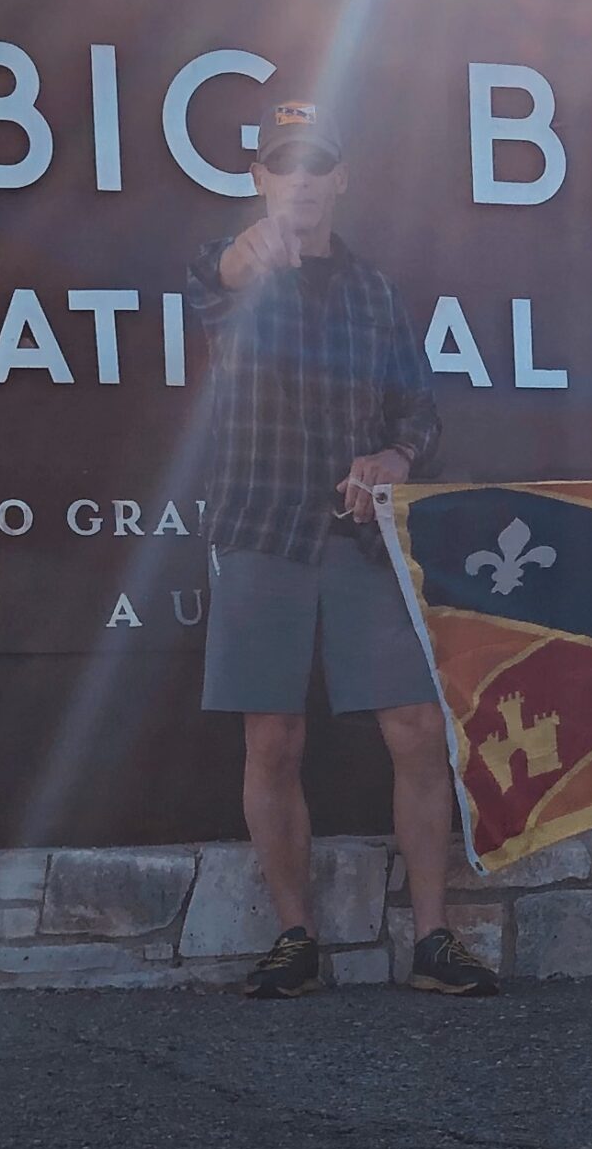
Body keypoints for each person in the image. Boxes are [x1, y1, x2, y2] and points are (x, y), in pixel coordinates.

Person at [184, 96, 499, 999]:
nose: (304, 183)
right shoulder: (226, 270)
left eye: (318, 166)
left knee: (415, 729)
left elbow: (421, 410)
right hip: (261, 532)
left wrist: (393, 455)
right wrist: (257, 249)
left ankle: (434, 939)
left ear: (342, 178)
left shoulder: (374, 292)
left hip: (361, 544)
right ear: (261, 180)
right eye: (285, 167)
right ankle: (296, 938)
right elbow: (225, 270)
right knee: (273, 740)